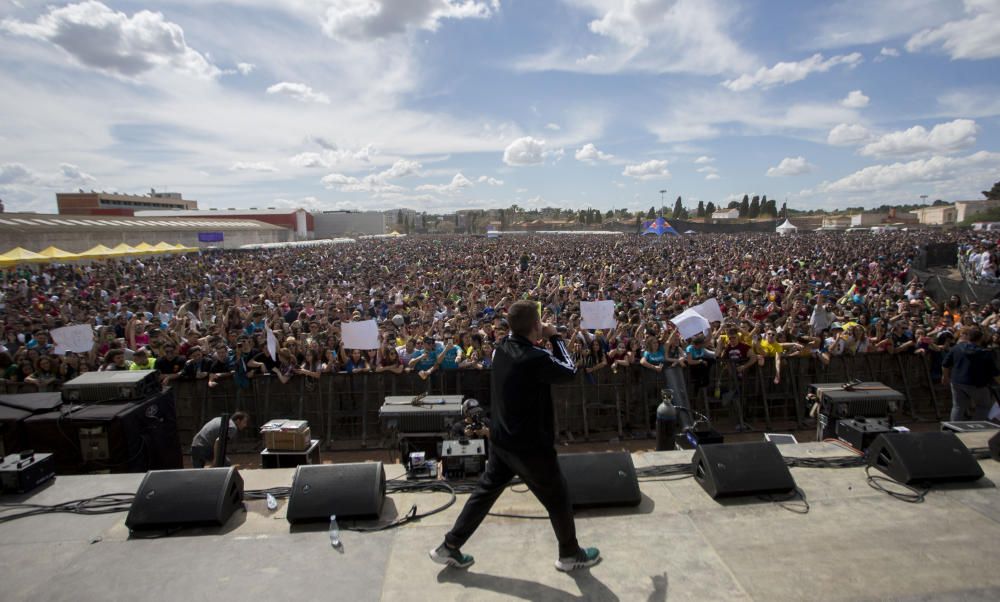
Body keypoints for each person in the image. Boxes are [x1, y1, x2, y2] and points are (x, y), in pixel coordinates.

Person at [429, 300, 600, 572]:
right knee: (558, 497)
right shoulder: (534, 357)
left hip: (502, 438)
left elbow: (528, 353)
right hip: (530, 445)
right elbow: (569, 370)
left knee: (485, 493)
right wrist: (554, 336)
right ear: (536, 326)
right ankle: (570, 554)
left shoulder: (500, 350)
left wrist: (537, 335)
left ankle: (449, 546)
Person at [941, 326, 1000, 421]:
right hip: (977, 385)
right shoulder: (985, 353)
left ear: (968, 337)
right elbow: (995, 374)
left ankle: (953, 430)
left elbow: (945, 364)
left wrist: (945, 376)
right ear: (981, 339)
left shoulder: (957, 348)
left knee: (958, 406)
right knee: (983, 406)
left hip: (957, 382)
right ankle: (976, 428)